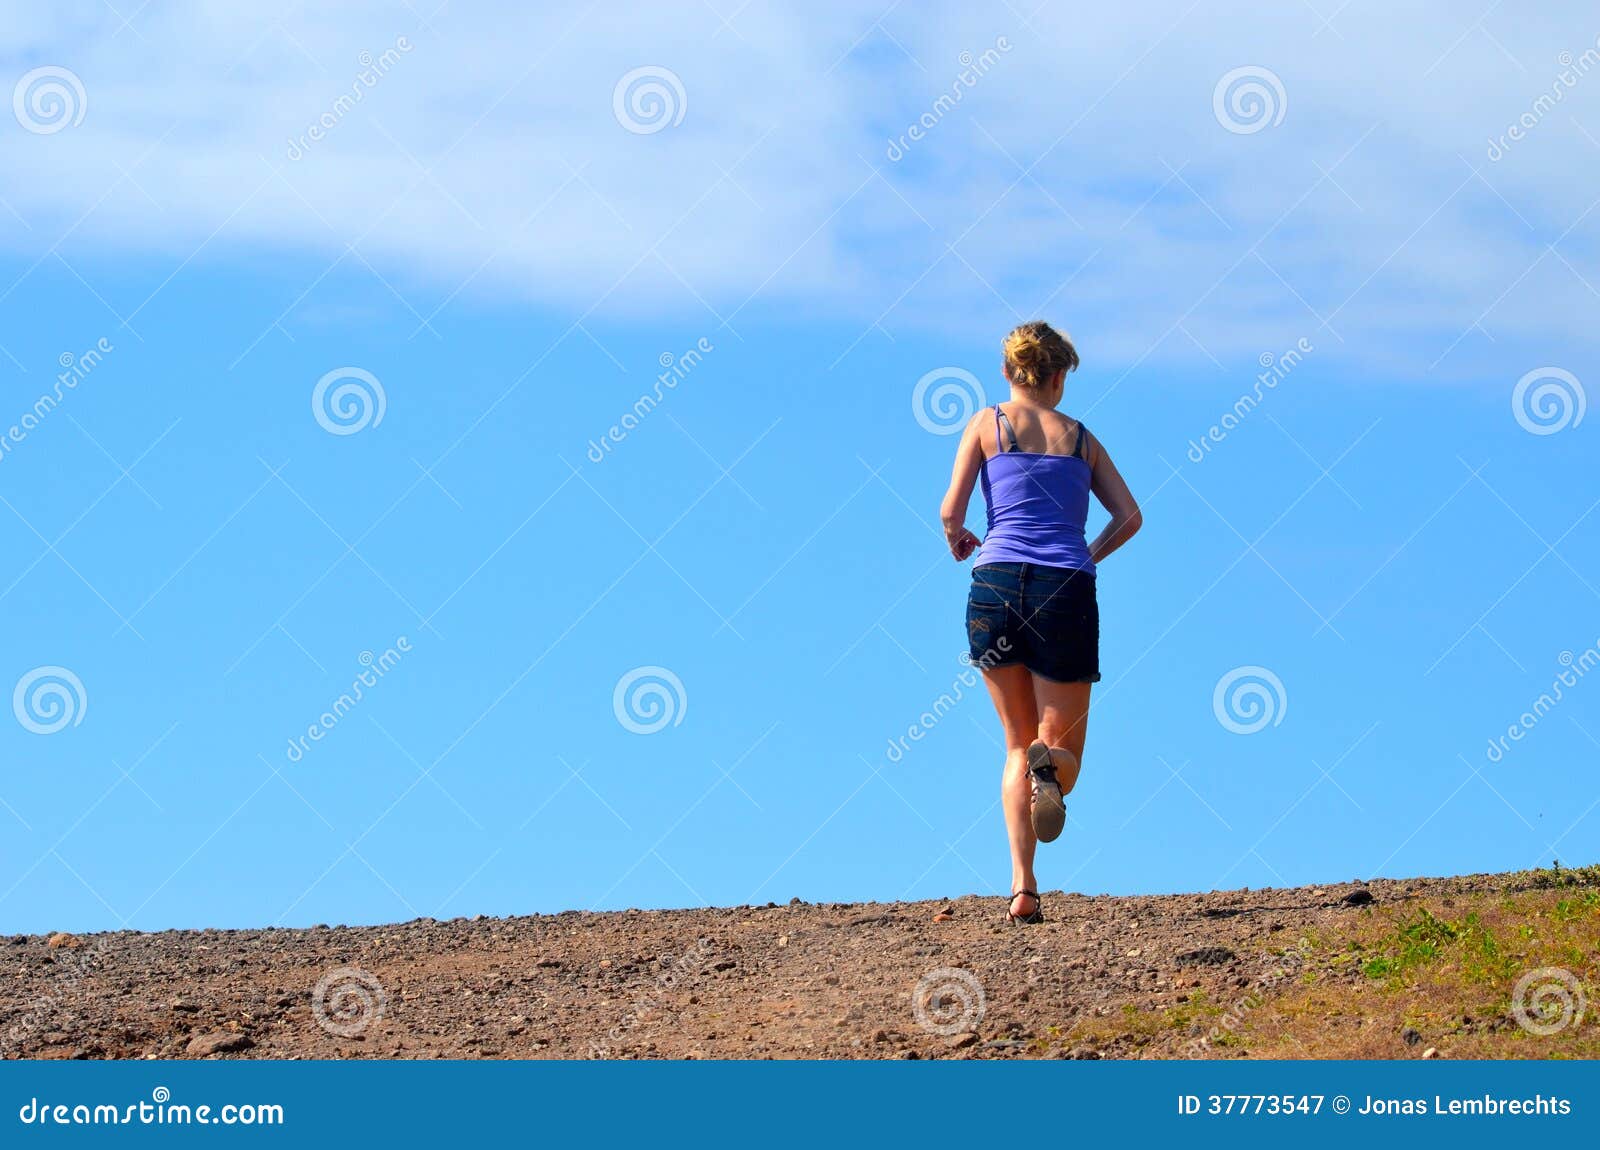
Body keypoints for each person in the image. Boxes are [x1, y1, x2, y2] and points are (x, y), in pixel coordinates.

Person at [940, 321, 1143, 924]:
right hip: (1065, 588)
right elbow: (1129, 516)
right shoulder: (1082, 440)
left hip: (995, 583)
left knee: (1013, 744)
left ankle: (1023, 887)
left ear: (1009, 373)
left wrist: (959, 538)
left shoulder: (986, 423)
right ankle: (1050, 771)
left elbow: (951, 510)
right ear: (1058, 378)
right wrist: (1087, 554)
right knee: (1058, 747)